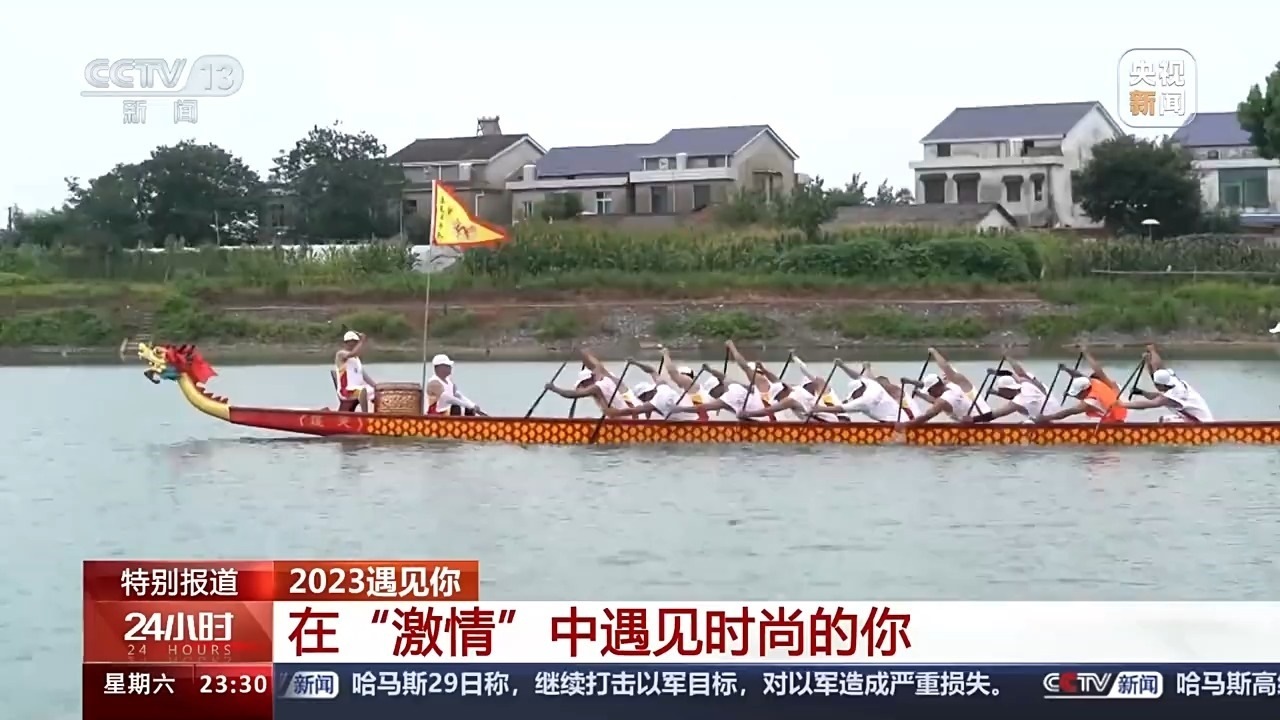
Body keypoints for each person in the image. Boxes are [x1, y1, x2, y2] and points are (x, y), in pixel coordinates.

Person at [1120, 345, 1214, 422]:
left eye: (1155, 383)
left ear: (1160, 385)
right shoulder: (1172, 380)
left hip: (1202, 424)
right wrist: (1152, 353)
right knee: (1164, 419)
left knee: (1166, 421)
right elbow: (1158, 367)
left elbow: (1148, 404)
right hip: (1194, 419)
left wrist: (1122, 405)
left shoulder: (1173, 394)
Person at [900, 348, 992, 426]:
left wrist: (904, 425)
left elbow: (925, 417)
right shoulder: (960, 384)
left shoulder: (943, 400)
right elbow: (933, 396)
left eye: (930, 391)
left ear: (936, 387)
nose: (929, 393)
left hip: (976, 426)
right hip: (988, 420)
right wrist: (914, 387)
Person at [1037, 345, 1128, 424]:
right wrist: (1066, 369)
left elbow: (1068, 412)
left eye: (1077, 395)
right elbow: (1081, 374)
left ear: (1084, 391)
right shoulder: (1093, 382)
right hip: (1121, 411)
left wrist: (1045, 418)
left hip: (1115, 422)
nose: (1077, 397)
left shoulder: (1090, 401)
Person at [964, 356, 1060, 423]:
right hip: (1054, 408)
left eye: (1001, 391)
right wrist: (1008, 358)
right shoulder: (1026, 382)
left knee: (1025, 424)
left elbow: (994, 415)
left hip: (1049, 417)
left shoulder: (1020, 400)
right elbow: (1017, 372)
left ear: (1008, 390)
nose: (1000, 393)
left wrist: (973, 419)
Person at [806, 360, 902, 422]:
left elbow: (841, 409)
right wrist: (842, 366)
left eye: (854, 394)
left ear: (859, 390)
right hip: (898, 419)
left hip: (894, 423)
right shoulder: (871, 384)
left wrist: (820, 409)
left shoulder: (865, 401)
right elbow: (857, 376)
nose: (854, 397)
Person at [669, 363, 772, 421]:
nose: (715, 395)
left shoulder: (730, 393)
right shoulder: (735, 387)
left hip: (763, 423)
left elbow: (703, 408)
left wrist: (681, 409)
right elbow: (725, 378)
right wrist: (710, 370)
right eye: (712, 393)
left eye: (714, 392)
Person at [544, 350, 636, 413]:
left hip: (626, 422)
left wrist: (553, 388)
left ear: (590, 380)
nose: (584, 386)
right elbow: (596, 364)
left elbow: (572, 394)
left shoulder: (596, 387)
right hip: (633, 414)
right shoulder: (609, 378)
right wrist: (581, 353)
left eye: (584, 384)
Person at [334, 330, 376, 412]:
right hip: (346, 390)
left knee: (378, 393)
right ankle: (365, 415)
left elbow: (365, 376)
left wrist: (377, 387)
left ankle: (381, 413)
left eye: (355, 342)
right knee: (362, 391)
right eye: (351, 342)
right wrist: (362, 341)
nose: (353, 344)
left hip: (358, 387)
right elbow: (352, 354)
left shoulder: (356, 360)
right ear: (346, 343)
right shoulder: (341, 354)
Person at [603, 380, 684, 420]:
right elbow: (653, 372)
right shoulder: (663, 387)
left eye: (642, 398)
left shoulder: (655, 401)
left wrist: (615, 412)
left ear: (647, 393)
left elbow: (633, 411)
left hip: (683, 422)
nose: (643, 401)